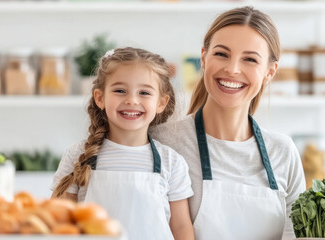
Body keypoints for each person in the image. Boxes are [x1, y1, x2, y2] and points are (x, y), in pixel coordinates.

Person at [150, 6, 306, 240]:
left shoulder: (283, 152)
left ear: (270, 72)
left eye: (250, 59)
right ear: (203, 57)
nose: (232, 69)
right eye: (222, 54)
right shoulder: (163, 143)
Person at [51, 47, 194, 240]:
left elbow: (181, 227)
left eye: (144, 92)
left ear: (161, 102)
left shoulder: (172, 162)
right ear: (100, 98)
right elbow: (57, 221)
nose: (132, 100)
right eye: (120, 91)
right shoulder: (77, 154)